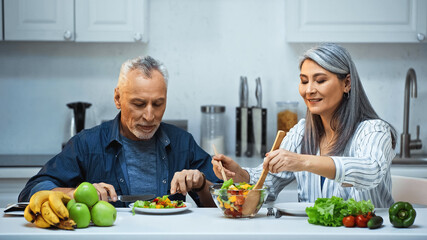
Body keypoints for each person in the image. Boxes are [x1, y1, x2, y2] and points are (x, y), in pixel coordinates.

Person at [212, 43, 397, 208]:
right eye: (304, 81)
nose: (309, 90)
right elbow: (266, 184)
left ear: (347, 83)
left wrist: (302, 161)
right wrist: (238, 174)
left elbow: (371, 171)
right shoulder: (301, 132)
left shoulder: (374, 130)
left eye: (320, 80)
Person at [19, 56, 219, 207]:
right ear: (117, 99)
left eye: (158, 104)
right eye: (139, 104)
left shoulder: (183, 143)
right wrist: (75, 193)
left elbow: (223, 201)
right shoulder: (87, 144)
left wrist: (201, 184)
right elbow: (31, 192)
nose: (150, 116)